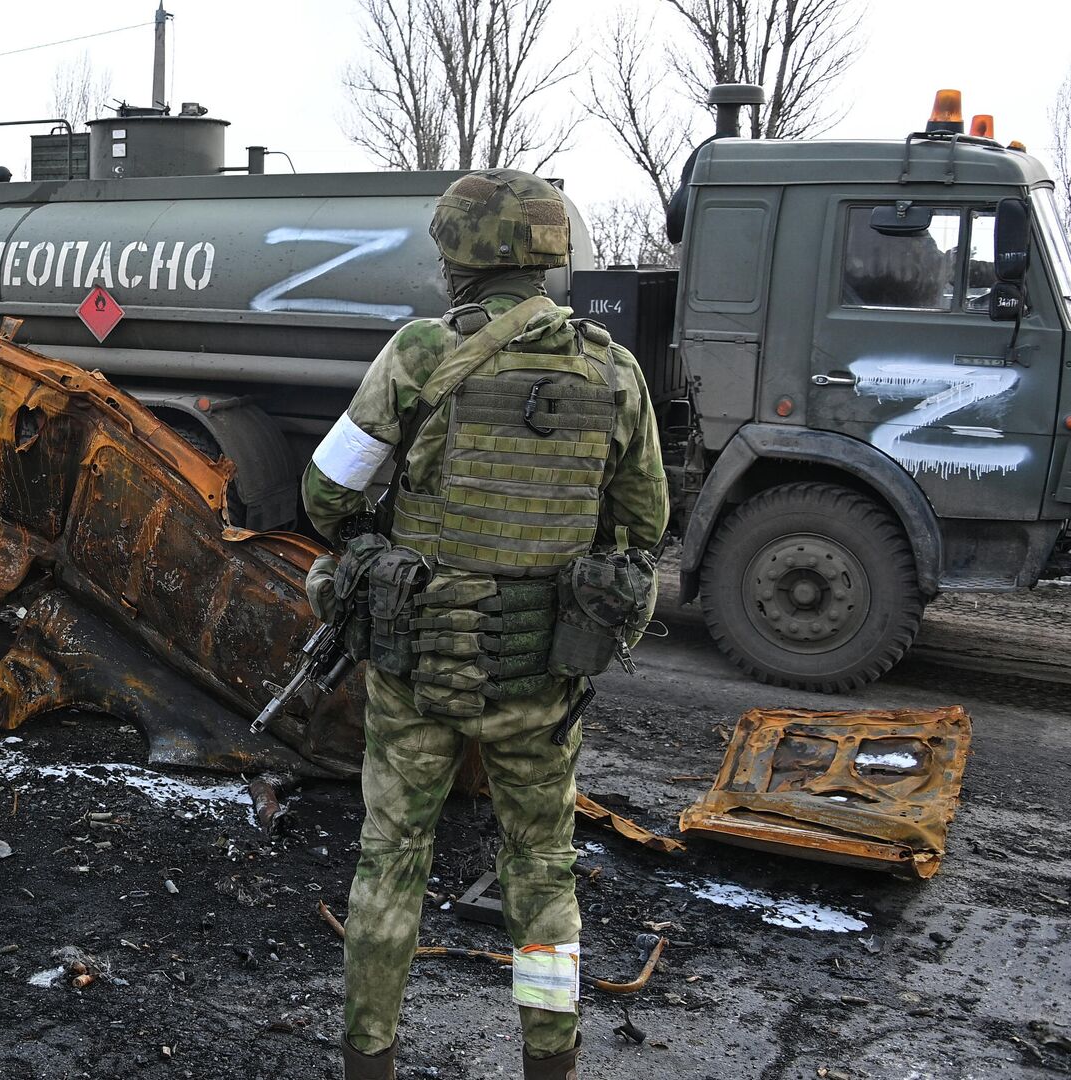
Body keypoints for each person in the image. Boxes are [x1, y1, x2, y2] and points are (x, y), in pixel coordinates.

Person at [300, 169, 671, 1080]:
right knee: (542, 868)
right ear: (551, 255)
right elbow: (645, 525)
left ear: (457, 256)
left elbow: (324, 494)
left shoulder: (421, 353)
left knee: (390, 858)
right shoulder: (613, 369)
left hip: (419, 665)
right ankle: (550, 1058)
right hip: (541, 674)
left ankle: (370, 1059)